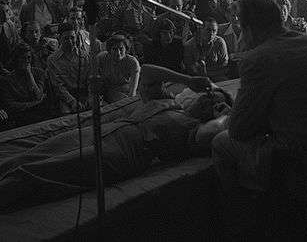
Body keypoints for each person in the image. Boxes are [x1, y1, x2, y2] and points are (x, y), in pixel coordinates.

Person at [0, 64, 231, 210]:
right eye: (210, 94)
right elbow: (148, 71)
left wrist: (226, 114)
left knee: (38, 171)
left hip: (125, 152)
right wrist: (189, 80)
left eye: (216, 103)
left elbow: (217, 130)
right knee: (28, 156)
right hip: (107, 129)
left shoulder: (195, 129)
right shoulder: (167, 101)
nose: (210, 99)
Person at [212, 0, 307, 195]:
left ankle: (243, 213)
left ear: (248, 30)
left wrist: (234, 113)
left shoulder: (258, 58)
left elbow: (239, 131)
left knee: (220, 142)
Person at [0, 43, 48, 127]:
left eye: (28, 57)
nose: (26, 61)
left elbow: (38, 96)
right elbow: (11, 105)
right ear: (16, 59)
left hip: (40, 116)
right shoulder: (6, 80)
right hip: (19, 119)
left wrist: (29, 75)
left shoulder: (39, 73)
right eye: (22, 58)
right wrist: (35, 103)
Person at [47, 22, 91, 114]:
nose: (70, 41)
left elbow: (89, 80)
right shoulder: (53, 60)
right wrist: (72, 102)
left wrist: (89, 97)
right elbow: (58, 86)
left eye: (72, 37)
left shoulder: (85, 55)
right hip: (66, 96)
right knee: (67, 115)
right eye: (66, 38)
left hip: (84, 93)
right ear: (60, 38)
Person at [96, 34, 140, 104]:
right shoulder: (102, 58)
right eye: (114, 49)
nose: (118, 53)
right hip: (106, 91)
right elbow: (95, 81)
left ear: (126, 49)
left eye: (121, 49)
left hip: (124, 92)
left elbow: (132, 92)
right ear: (109, 50)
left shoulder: (132, 62)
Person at [184, 17, 228, 82]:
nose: (211, 33)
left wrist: (206, 73)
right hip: (197, 78)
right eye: (208, 30)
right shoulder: (190, 45)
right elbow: (190, 68)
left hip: (217, 77)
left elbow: (224, 66)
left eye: (214, 30)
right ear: (201, 29)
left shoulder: (220, 42)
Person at [0, 4, 19, 70]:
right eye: (1, 12)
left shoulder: (10, 24)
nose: (5, 14)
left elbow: (17, 42)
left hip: (13, 62)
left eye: (7, 11)